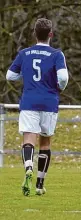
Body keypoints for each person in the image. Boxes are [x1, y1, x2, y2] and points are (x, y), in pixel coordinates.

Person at [6, 18, 69, 196]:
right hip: (49, 101)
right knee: (45, 141)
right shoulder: (57, 54)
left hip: (29, 101)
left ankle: (28, 167)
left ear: (35, 33)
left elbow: (10, 76)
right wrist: (59, 88)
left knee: (29, 139)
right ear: (51, 34)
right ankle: (40, 184)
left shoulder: (24, 53)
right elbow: (63, 78)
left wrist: (25, 75)